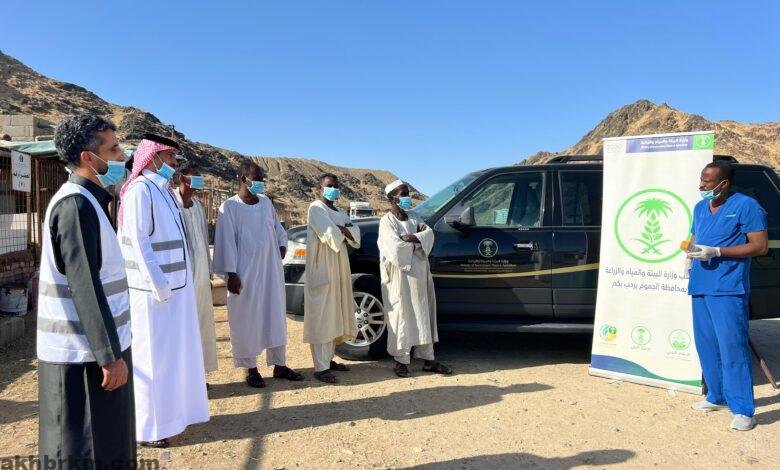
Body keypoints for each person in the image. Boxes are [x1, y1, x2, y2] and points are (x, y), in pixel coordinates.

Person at [37, 114, 135, 467]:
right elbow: (85, 287)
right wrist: (109, 356)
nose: (122, 156)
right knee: (84, 451)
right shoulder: (76, 205)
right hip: (82, 358)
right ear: (87, 158)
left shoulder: (91, 201)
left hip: (97, 351)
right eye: (114, 149)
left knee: (109, 444)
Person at [118, 134, 209, 447]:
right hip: (153, 295)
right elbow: (139, 241)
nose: (174, 162)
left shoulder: (164, 190)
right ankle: (148, 430)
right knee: (152, 361)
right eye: (170, 156)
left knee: (173, 359)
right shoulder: (140, 191)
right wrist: (159, 286)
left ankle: (173, 417)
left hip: (175, 292)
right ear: (153, 156)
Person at [686, 160, 768, 431]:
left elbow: (759, 246)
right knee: (707, 346)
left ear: (724, 183)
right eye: (701, 179)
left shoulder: (746, 205)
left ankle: (743, 410)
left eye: (707, 181)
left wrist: (719, 252)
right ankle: (717, 396)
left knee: (732, 348)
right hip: (700, 285)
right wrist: (689, 254)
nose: (702, 185)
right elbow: (695, 236)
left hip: (728, 289)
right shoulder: (699, 208)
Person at [213, 160, 303, 387]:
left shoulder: (265, 203)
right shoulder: (229, 207)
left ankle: (279, 365)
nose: (262, 182)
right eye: (258, 178)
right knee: (246, 320)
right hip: (245, 274)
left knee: (274, 317)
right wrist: (231, 274)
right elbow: (225, 241)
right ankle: (251, 369)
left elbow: (278, 229)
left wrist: (282, 245)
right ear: (244, 179)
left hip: (270, 271)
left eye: (263, 178)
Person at [378, 180, 452, 378]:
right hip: (400, 277)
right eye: (403, 194)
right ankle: (401, 361)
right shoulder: (387, 222)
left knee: (423, 314)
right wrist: (417, 239)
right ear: (392, 198)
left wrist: (412, 238)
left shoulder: (414, 216)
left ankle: (429, 359)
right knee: (402, 316)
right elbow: (394, 248)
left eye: (407, 193)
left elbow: (429, 234)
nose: (407, 197)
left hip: (419, 274)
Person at [303, 173, 361, 383]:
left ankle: (328, 360)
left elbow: (355, 233)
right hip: (322, 268)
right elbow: (329, 233)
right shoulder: (316, 208)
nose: (333, 189)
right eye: (329, 186)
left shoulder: (341, 211)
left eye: (336, 186)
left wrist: (343, 230)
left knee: (336, 312)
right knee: (323, 315)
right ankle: (320, 368)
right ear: (320, 188)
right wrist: (344, 231)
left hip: (339, 267)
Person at [174, 161, 218, 382]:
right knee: (182, 326)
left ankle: (198, 375)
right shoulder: (171, 203)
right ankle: (183, 377)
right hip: (181, 276)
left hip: (200, 275)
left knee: (201, 323)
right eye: (195, 176)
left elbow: (203, 238)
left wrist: (209, 272)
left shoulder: (199, 206)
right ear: (183, 178)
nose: (199, 180)